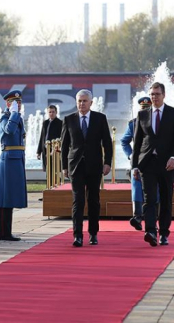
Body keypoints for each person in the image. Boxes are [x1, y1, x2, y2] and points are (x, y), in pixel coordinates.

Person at [132, 82, 174, 247]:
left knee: (166, 198)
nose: (154, 97)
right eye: (152, 94)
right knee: (149, 199)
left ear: (164, 95)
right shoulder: (142, 115)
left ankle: (164, 233)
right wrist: (134, 166)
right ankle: (150, 232)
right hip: (148, 163)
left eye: (157, 94)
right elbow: (137, 141)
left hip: (167, 164)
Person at [60, 89, 112, 247]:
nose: (82, 104)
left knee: (93, 200)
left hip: (94, 165)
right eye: (79, 101)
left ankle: (93, 233)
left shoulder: (100, 118)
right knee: (78, 200)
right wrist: (64, 167)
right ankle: (77, 235)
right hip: (75, 166)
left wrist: (107, 162)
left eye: (84, 101)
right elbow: (64, 145)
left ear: (91, 102)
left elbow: (107, 143)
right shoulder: (69, 119)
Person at [0, 90, 27, 241]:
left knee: (10, 197)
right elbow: (9, 131)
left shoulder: (17, 117)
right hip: (8, 160)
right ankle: (3, 233)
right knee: (5, 198)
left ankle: (6, 231)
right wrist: (13, 114)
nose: (18, 105)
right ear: (8, 104)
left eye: (19, 102)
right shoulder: (5, 118)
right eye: (15, 102)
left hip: (16, 159)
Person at [121, 96, 152, 231]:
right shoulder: (133, 124)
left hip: (153, 160)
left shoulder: (157, 121)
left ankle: (151, 216)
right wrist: (130, 155)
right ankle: (137, 216)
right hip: (138, 161)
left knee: (152, 188)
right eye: (142, 108)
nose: (144, 110)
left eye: (147, 108)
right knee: (137, 186)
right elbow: (124, 141)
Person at [36, 105, 63, 172]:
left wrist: (55, 148)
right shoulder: (45, 123)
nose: (51, 113)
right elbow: (42, 137)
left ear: (56, 112)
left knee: (55, 171)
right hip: (45, 150)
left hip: (55, 151)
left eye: (53, 112)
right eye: (50, 112)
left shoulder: (60, 123)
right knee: (48, 171)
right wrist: (38, 152)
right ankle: (48, 182)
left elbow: (61, 138)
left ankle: (56, 182)